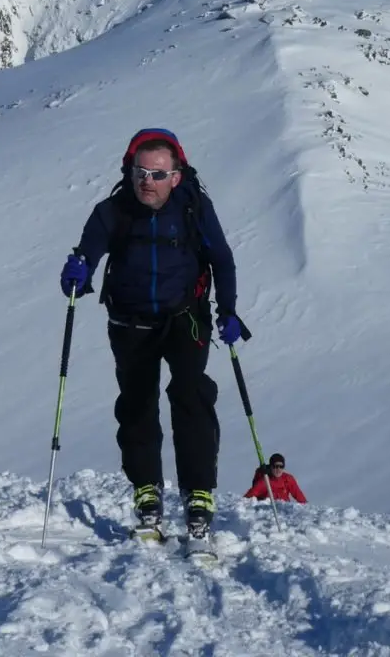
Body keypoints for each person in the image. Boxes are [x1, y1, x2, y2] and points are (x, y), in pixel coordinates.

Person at [59, 128, 248, 542]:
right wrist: (77, 272)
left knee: (191, 395)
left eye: (159, 174)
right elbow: (87, 251)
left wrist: (229, 310)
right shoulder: (112, 211)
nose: (148, 180)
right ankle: (147, 489)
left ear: (176, 176)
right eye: (141, 171)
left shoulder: (194, 208)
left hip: (186, 319)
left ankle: (198, 492)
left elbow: (222, 260)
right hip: (130, 323)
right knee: (137, 404)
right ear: (130, 171)